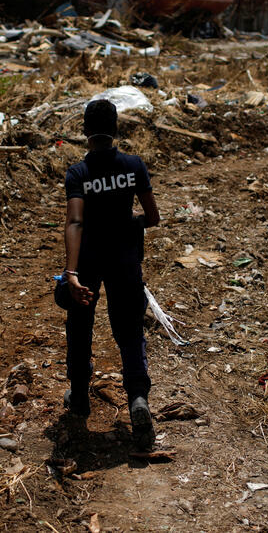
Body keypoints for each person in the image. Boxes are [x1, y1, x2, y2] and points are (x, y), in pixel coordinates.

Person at [61, 98, 161, 447]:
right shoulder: (134, 166)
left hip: (88, 259)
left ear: (85, 131)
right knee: (130, 329)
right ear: (116, 129)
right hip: (124, 259)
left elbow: (75, 221)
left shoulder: (78, 173)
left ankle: (79, 398)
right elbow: (152, 217)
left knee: (80, 325)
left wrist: (71, 272)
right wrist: (130, 223)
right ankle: (138, 399)